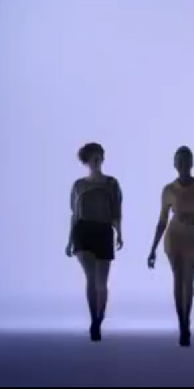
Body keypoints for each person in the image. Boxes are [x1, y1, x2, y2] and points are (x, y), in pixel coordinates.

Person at [148, 146, 194, 347]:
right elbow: (162, 220)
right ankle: (182, 324)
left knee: (189, 280)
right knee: (178, 279)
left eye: (186, 160)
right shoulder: (169, 190)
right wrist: (152, 248)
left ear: (191, 163)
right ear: (175, 164)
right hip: (174, 236)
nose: (183, 165)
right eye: (180, 161)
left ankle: (187, 319)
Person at [66, 142, 123, 342]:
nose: (96, 160)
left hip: (104, 230)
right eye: (93, 157)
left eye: (99, 156)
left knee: (102, 281)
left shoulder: (111, 183)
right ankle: (94, 321)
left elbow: (117, 211)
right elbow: (74, 214)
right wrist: (69, 241)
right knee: (90, 277)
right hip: (83, 231)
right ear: (87, 161)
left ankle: (100, 317)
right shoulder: (78, 185)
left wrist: (119, 233)